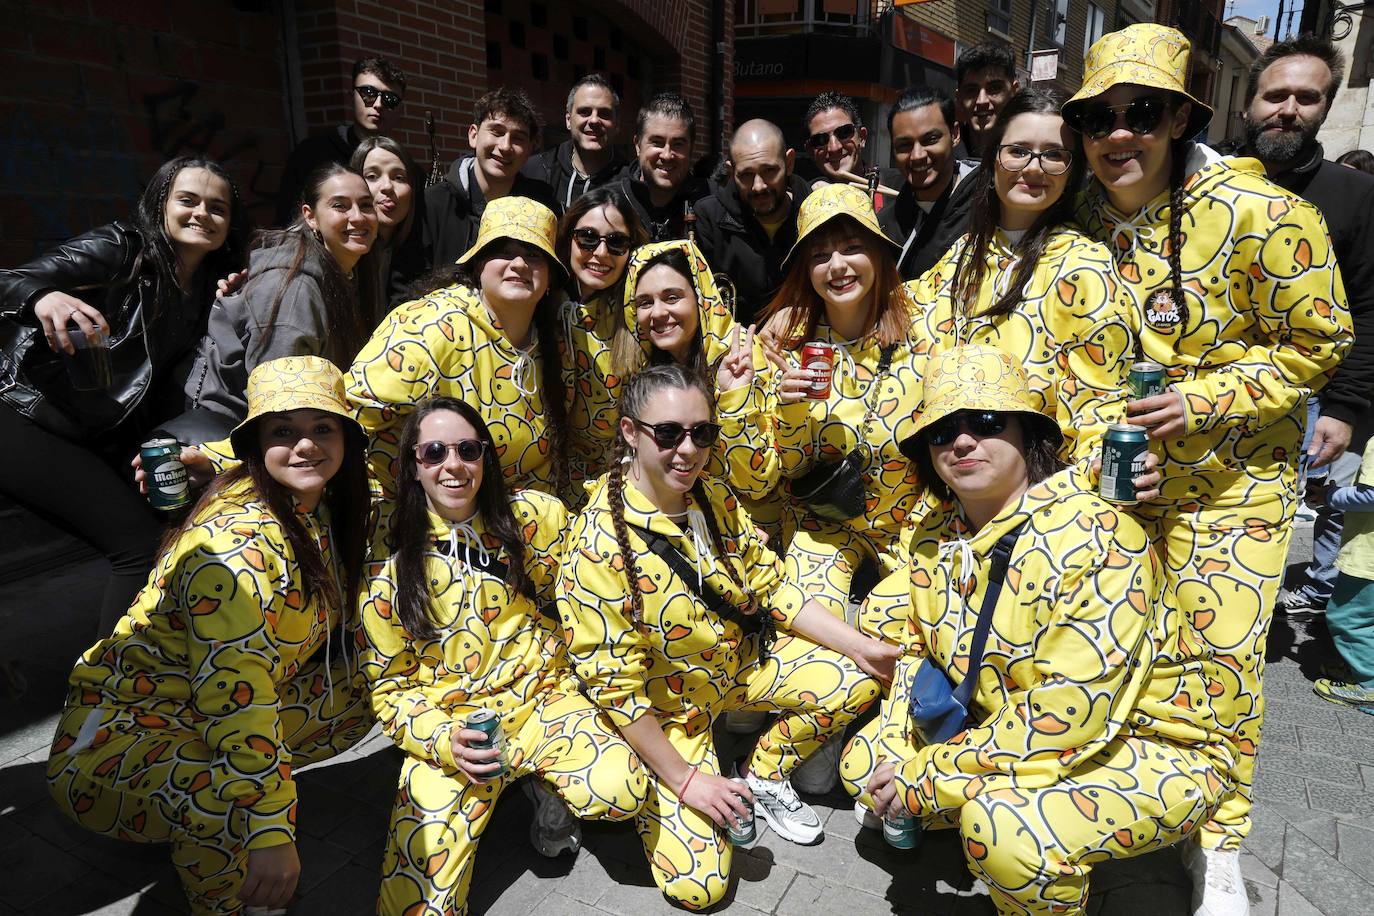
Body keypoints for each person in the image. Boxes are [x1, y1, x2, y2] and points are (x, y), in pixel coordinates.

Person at [1065, 24, 1352, 914]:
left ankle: (1221, 842)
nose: (1120, 133)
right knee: (1121, 657)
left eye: (1142, 112)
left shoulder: (1267, 214)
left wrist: (1208, 400)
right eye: (1099, 116)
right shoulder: (1079, 219)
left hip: (1234, 492)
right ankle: (1135, 813)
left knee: (1218, 670)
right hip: (1117, 486)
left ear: (1184, 117)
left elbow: (1322, 338)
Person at [844, 344, 1235, 916]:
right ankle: (995, 819)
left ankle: (1060, 857)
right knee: (866, 767)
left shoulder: (1096, 535)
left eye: (984, 421)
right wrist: (907, 758)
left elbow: (1064, 715)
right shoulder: (933, 536)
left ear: (1030, 434)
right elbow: (918, 650)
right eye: (940, 431)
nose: (961, 441)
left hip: (1146, 743)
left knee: (1001, 831)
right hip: (1006, 717)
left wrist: (924, 779)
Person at [557, 363, 894, 910]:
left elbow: (773, 586)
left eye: (702, 433)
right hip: (670, 712)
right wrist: (688, 781)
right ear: (629, 432)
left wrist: (861, 646)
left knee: (860, 675)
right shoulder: (598, 546)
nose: (687, 449)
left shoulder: (711, 494)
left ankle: (758, 769)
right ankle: (675, 777)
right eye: (667, 433)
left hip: (738, 670)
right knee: (702, 888)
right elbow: (616, 690)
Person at [46, 356, 375, 915]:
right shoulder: (234, 549)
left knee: (373, 688)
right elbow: (236, 699)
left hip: (200, 711)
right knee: (231, 801)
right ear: (256, 446)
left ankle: (238, 801)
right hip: (111, 743)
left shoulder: (313, 504)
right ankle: (227, 894)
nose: (306, 446)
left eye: (323, 428)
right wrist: (271, 830)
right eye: (283, 431)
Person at [361, 396, 647, 914]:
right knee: (416, 904)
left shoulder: (532, 517)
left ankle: (549, 795)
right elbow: (390, 692)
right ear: (413, 467)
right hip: (462, 730)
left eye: (468, 449)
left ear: (486, 458)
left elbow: (600, 557)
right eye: (434, 453)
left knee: (620, 788)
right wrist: (443, 740)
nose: (453, 464)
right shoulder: (390, 580)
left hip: (547, 701)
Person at [0, 156, 249, 633]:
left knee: (183, 518)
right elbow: (9, 279)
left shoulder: (210, 283)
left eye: (218, 207)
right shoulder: (122, 247)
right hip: (25, 412)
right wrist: (41, 297)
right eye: (188, 200)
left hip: (96, 427)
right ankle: (111, 692)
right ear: (160, 205)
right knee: (137, 547)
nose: (202, 214)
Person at [909, 87, 1135, 463]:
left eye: (1054, 155)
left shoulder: (1085, 266)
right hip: (955, 484)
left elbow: (1101, 402)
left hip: (1038, 496)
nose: (1033, 168)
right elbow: (898, 310)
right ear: (993, 158)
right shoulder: (963, 254)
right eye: (1018, 151)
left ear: (1072, 169)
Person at [1235, 35, 1374, 616]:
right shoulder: (1204, 175)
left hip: (1304, 398)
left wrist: (1344, 409)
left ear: (1325, 107)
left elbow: (1369, 307)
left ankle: (1238, 634)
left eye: (1306, 97)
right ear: (1250, 102)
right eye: (1276, 95)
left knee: (1260, 533)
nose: (1287, 109)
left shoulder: (1356, 195)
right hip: (1198, 390)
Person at [348, 197, 569, 500]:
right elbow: (352, 418)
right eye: (504, 251)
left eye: (534, 255)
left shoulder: (552, 344)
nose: (519, 263)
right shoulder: (431, 324)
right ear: (478, 265)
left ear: (549, 281)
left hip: (508, 525)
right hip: (414, 518)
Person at [168, 163, 380, 442]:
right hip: (238, 436)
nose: (358, 217)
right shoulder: (293, 287)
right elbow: (280, 401)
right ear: (310, 216)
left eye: (366, 206)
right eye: (340, 206)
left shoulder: (350, 274)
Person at [611, 239, 779, 527]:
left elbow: (757, 482)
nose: (659, 312)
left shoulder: (743, 359)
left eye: (672, 297)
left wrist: (734, 398)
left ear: (701, 298)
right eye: (645, 302)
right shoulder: (639, 367)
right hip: (673, 519)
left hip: (745, 527)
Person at [556, 186, 649, 508]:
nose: (600, 253)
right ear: (568, 237)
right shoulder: (538, 298)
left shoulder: (641, 314)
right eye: (588, 238)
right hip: (544, 481)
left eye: (617, 242)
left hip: (619, 485)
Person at [693, 118, 812, 326]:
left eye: (769, 171)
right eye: (746, 175)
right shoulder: (709, 219)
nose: (759, 186)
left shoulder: (814, 214)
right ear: (731, 172)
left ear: (789, 163)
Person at [424, 87, 558, 269]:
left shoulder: (543, 208)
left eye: (518, 138)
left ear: (529, 150)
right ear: (473, 135)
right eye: (496, 132)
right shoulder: (433, 203)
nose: (505, 146)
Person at [275, 57, 405, 227]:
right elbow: (288, 220)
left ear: (400, 110)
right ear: (352, 97)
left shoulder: (404, 167)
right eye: (368, 93)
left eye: (390, 99)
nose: (378, 104)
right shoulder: (311, 155)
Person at [878, 86, 982, 281]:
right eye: (904, 145)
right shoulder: (885, 227)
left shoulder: (989, 204)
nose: (917, 156)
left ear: (955, 134)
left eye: (930, 139)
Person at [522, 73, 628, 209]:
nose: (594, 120)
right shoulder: (534, 172)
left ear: (617, 124)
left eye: (604, 113)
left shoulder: (629, 185)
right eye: (584, 112)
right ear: (568, 120)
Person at [616, 92, 708, 242]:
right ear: (638, 145)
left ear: (691, 149)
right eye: (657, 142)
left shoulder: (711, 204)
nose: (667, 155)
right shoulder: (610, 202)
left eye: (678, 144)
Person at [351, 136, 426, 309]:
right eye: (372, 176)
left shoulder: (420, 251)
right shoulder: (345, 253)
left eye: (399, 178)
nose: (387, 186)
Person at [798, 91, 903, 213]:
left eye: (844, 132)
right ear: (810, 151)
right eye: (820, 140)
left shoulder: (898, 185)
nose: (834, 147)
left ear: (862, 138)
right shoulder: (803, 199)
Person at [952, 39, 1021, 160]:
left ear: (1014, 92)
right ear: (959, 99)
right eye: (971, 90)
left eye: (994, 88)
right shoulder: (943, 162)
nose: (981, 101)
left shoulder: (1031, 159)